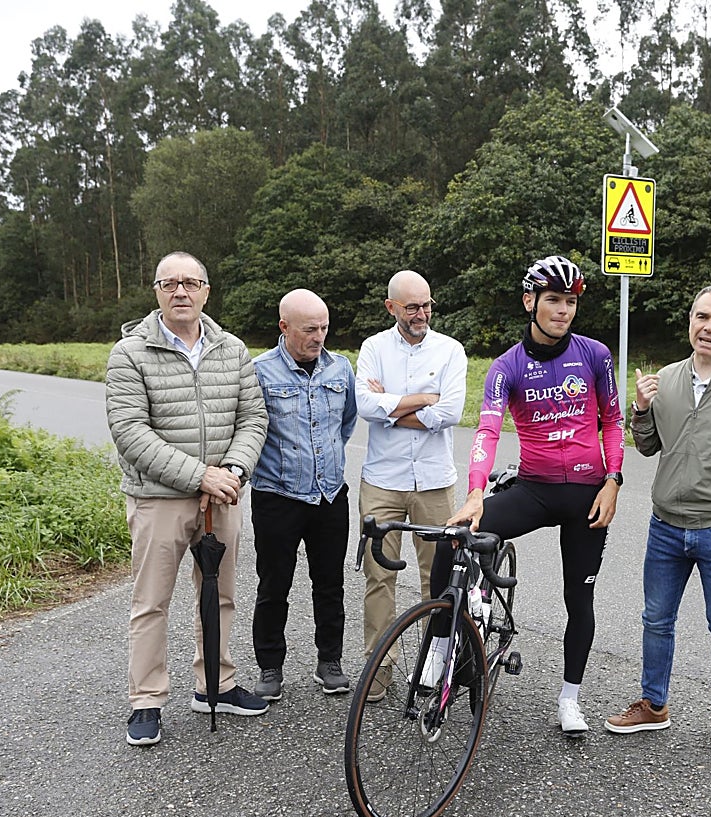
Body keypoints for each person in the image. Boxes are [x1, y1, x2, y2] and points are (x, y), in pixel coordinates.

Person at [432, 255, 624, 737]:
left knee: (579, 600)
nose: (563, 310)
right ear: (529, 302)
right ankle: (440, 648)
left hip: (587, 495)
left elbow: (613, 422)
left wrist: (613, 481)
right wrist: (475, 493)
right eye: (554, 300)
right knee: (453, 538)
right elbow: (487, 431)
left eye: (571, 302)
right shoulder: (506, 367)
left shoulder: (596, 355)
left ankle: (570, 698)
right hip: (535, 489)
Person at [604, 285, 711, 761]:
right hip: (665, 526)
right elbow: (647, 447)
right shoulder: (666, 379)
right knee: (656, 619)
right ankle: (654, 705)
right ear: (690, 321)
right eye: (703, 316)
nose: (710, 327)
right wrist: (641, 409)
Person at [106, 251, 269, 747]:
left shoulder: (232, 349)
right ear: (157, 291)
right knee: (151, 602)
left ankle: (215, 684)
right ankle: (147, 700)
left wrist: (233, 470)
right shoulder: (130, 353)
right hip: (159, 498)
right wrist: (200, 476)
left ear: (206, 291)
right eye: (170, 283)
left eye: (190, 283)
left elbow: (253, 418)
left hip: (223, 496)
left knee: (220, 595)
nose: (181, 291)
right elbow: (130, 432)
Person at [355, 270, 467, 699]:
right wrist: (423, 399)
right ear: (391, 307)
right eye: (412, 307)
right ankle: (378, 669)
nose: (422, 314)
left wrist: (391, 408)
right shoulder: (373, 348)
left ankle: (433, 670)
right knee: (378, 575)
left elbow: (451, 412)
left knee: (437, 579)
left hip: (434, 481)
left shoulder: (450, 350)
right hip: (382, 480)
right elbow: (365, 404)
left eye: (427, 305)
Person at [248, 290, 357, 701]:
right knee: (273, 586)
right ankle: (270, 667)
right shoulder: (259, 372)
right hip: (277, 496)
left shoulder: (340, 368)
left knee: (330, 584)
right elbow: (251, 430)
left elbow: (346, 424)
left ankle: (330, 661)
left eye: (324, 328)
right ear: (284, 327)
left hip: (329, 496)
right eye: (310, 329)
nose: (319, 336)